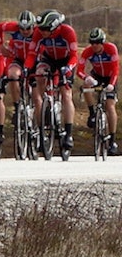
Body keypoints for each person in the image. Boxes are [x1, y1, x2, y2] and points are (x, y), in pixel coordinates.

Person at [30, 9, 78, 157]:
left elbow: (74, 56)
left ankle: (68, 134)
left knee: (66, 94)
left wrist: (68, 68)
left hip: (66, 61)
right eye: (41, 29)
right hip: (49, 59)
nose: (42, 32)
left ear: (55, 27)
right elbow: (32, 54)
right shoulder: (38, 32)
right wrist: (27, 69)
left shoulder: (67, 32)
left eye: (45, 29)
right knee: (40, 75)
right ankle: (47, 102)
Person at [79, 27, 119, 156]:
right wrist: (87, 78)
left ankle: (112, 140)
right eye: (92, 42)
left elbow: (115, 69)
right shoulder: (87, 51)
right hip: (96, 75)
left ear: (103, 42)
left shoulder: (111, 49)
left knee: (109, 105)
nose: (94, 45)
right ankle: (92, 113)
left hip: (110, 77)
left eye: (97, 42)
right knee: (85, 85)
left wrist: (111, 85)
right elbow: (79, 69)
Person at [0, 10, 38, 111]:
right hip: (19, 59)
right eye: (22, 28)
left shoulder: (38, 32)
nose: (25, 31)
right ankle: (17, 107)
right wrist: (0, 45)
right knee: (12, 76)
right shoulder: (13, 28)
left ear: (33, 26)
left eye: (28, 28)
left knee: (37, 97)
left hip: (35, 61)